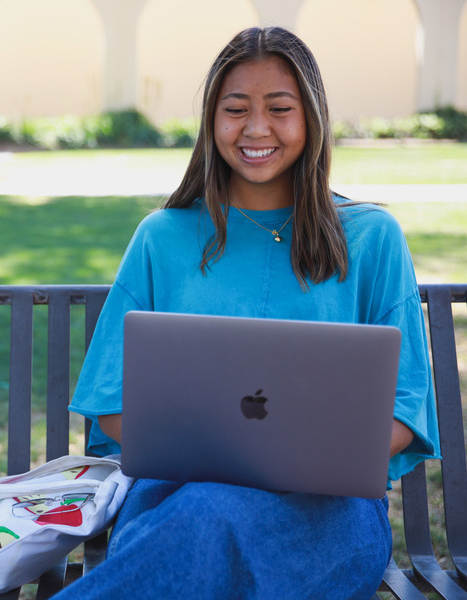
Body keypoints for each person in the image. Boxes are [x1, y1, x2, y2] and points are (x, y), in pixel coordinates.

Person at [54, 26, 440, 600]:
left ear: (311, 118)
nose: (256, 129)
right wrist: (217, 460)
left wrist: (303, 458)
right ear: (212, 120)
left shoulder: (372, 239)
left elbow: (406, 412)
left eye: (279, 109)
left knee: (208, 523)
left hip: (326, 514)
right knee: (205, 514)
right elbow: (111, 406)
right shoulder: (163, 237)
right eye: (236, 109)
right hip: (174, 497)